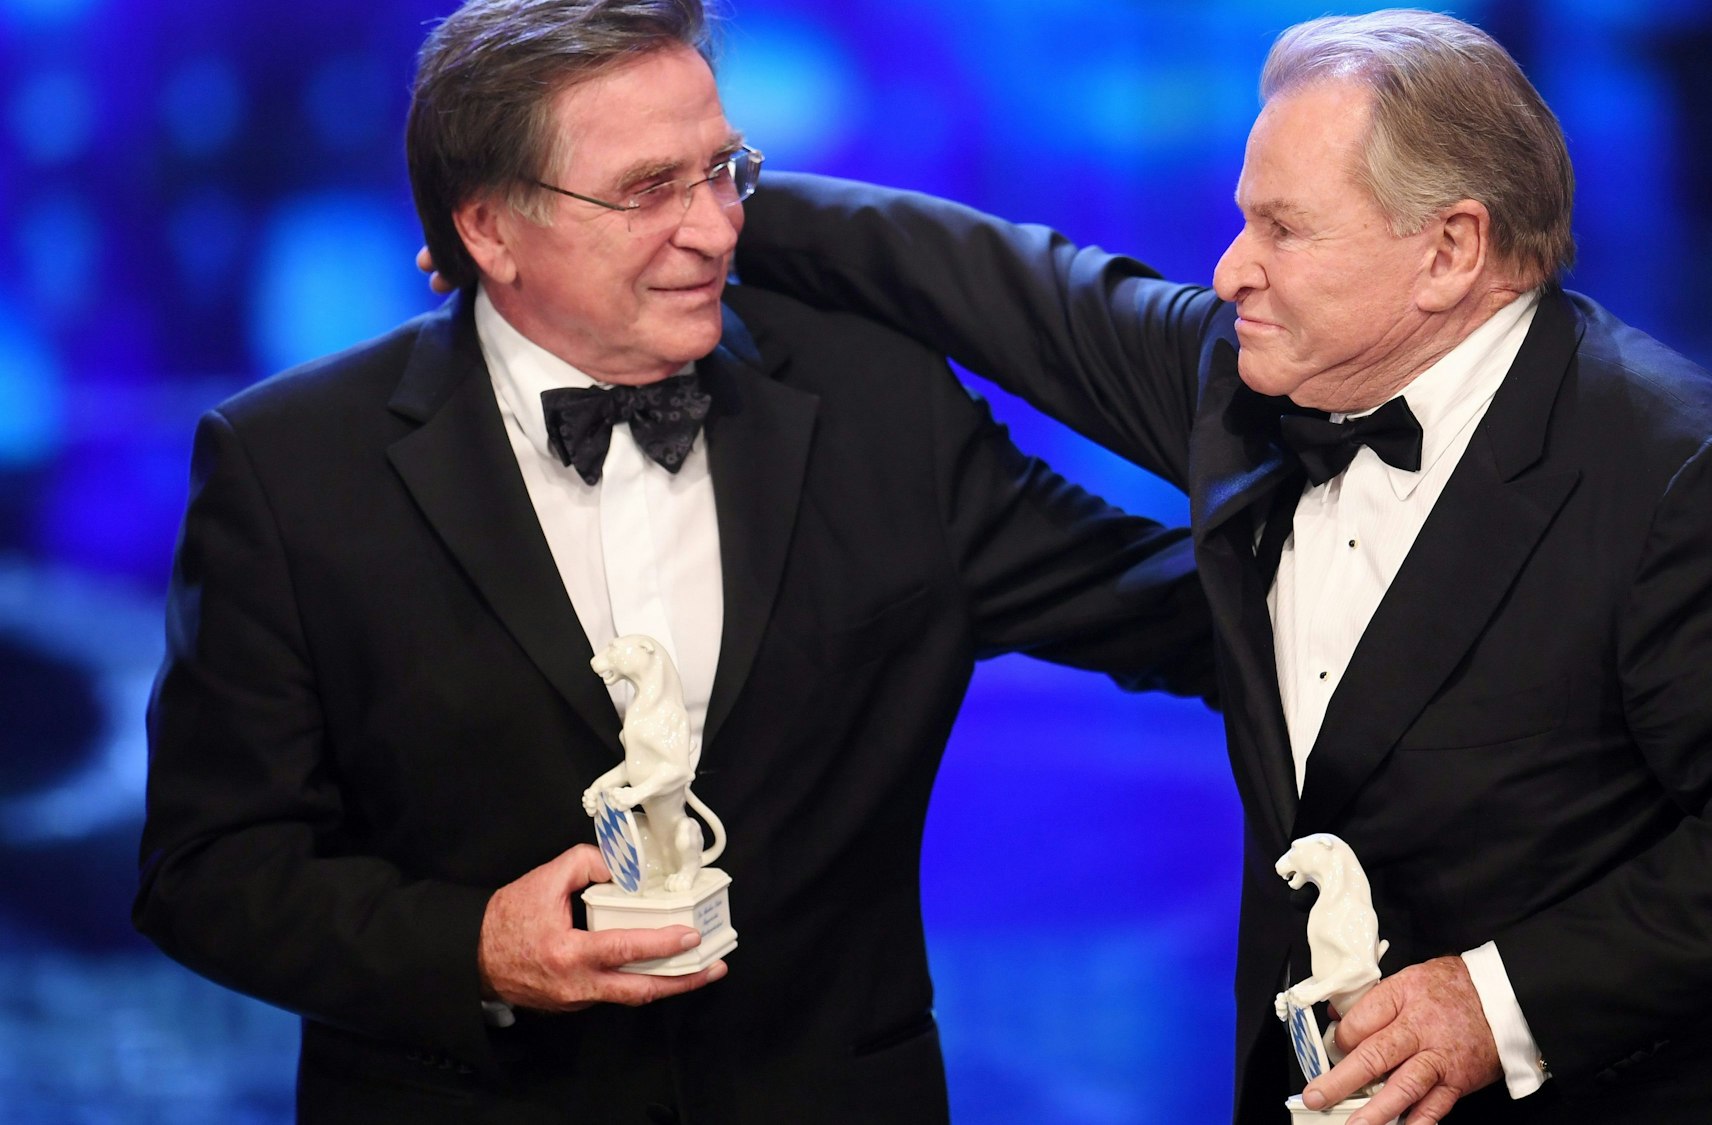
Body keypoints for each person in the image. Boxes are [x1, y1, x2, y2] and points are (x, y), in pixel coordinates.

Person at [729, 10, 1712, 1124]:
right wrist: (711, 199)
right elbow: (1000, 283)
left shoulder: (1675, 472)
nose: (1232, 267)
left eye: (1282, 228)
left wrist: (1495, 1002)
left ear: (1450, 248)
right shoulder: (1255, 375)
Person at [133, 1, 1213, 1122]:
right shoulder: (292, 465)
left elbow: (1183, 614)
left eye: (724, 170)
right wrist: (474, 949)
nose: (715, 229)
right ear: (490, 232)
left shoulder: (874, 403)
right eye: (648, 189)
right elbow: (208, 873)